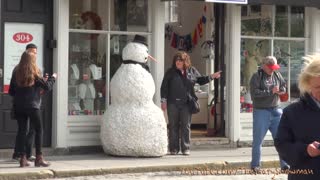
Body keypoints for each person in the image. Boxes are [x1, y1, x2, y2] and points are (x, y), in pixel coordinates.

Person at [160, 51, 221, 155]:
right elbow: (164, 87)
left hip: (186, 104)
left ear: (185, 61)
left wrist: (212, 76)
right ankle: (173, 149)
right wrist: (163, 101)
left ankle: (185, 148)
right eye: (176, 60)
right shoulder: (170, 72)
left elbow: (201, 80)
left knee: (186, 126)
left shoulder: (191, 71)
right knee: (173, 126)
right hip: (172, 103)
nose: (177, 62)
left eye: (180, 60)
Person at [274, 54, 320, 179]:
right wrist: (306, 150)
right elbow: (282, 146)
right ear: (308, 85)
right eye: (318, 87)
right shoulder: (292, 112)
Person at [9, 51, 57, 167]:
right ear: (32, 60)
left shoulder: (16, 71)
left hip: (19, 106)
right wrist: (53, 78)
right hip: (32, 106)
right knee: (39, 130)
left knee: (22, 131)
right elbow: (47, 87)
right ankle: (39, 158)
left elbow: (11, 91)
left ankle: (23, 158)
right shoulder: (35, 72)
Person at [249, 56, 289, 172]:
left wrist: (281, 91)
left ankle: (284, 165)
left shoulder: (277, 75)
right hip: (261, 111)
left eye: (274, 67)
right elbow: (254, 94)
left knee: (281, 139)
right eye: (270, 68)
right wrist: (270, 92)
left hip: (276, 110)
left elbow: (283, 87)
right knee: (258, 140)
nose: (272, 70)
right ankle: (255, 165)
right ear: (264, 66)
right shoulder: (257, 77)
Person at [12, 43, 39, 162]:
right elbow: (12, 89)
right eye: (32, 52)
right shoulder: (19, 69)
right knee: (25, 129)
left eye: (35, 52)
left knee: (30, 129)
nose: (34, 54)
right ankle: (19, 153)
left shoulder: (35, 69)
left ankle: (25, 154)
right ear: (27, 53)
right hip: (30, 104)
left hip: (24, 103)